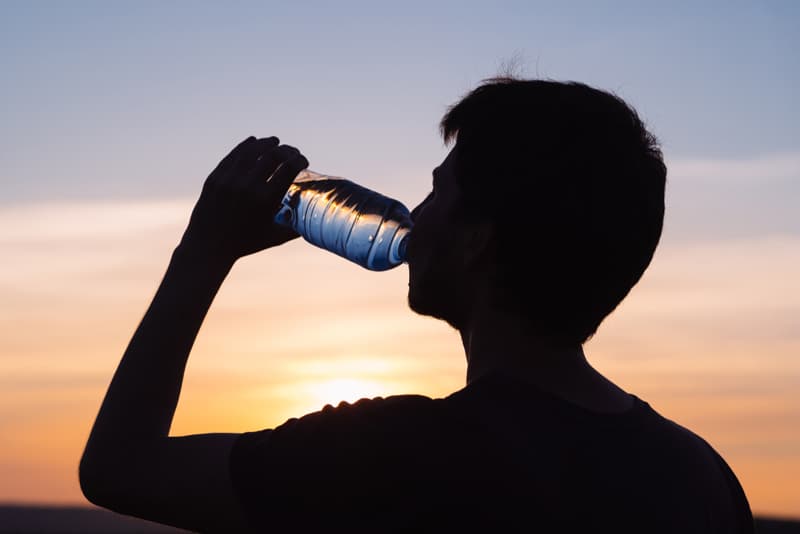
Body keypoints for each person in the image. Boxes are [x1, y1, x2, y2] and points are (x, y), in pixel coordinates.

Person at [79, 77, 754, 533]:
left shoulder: (397, 455)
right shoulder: (701, 476)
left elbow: (118, 469)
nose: (417, 215)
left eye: (437, 194)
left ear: (475, 244)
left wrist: (202, 252)